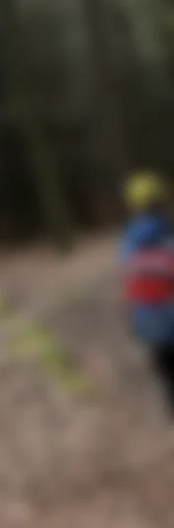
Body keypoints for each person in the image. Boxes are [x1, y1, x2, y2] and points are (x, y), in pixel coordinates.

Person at [121, 170, 174, 411]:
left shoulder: (129, 243)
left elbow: (129, 283)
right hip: (169, 316)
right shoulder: (167, 234)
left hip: (146, 321)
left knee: (167, 375)